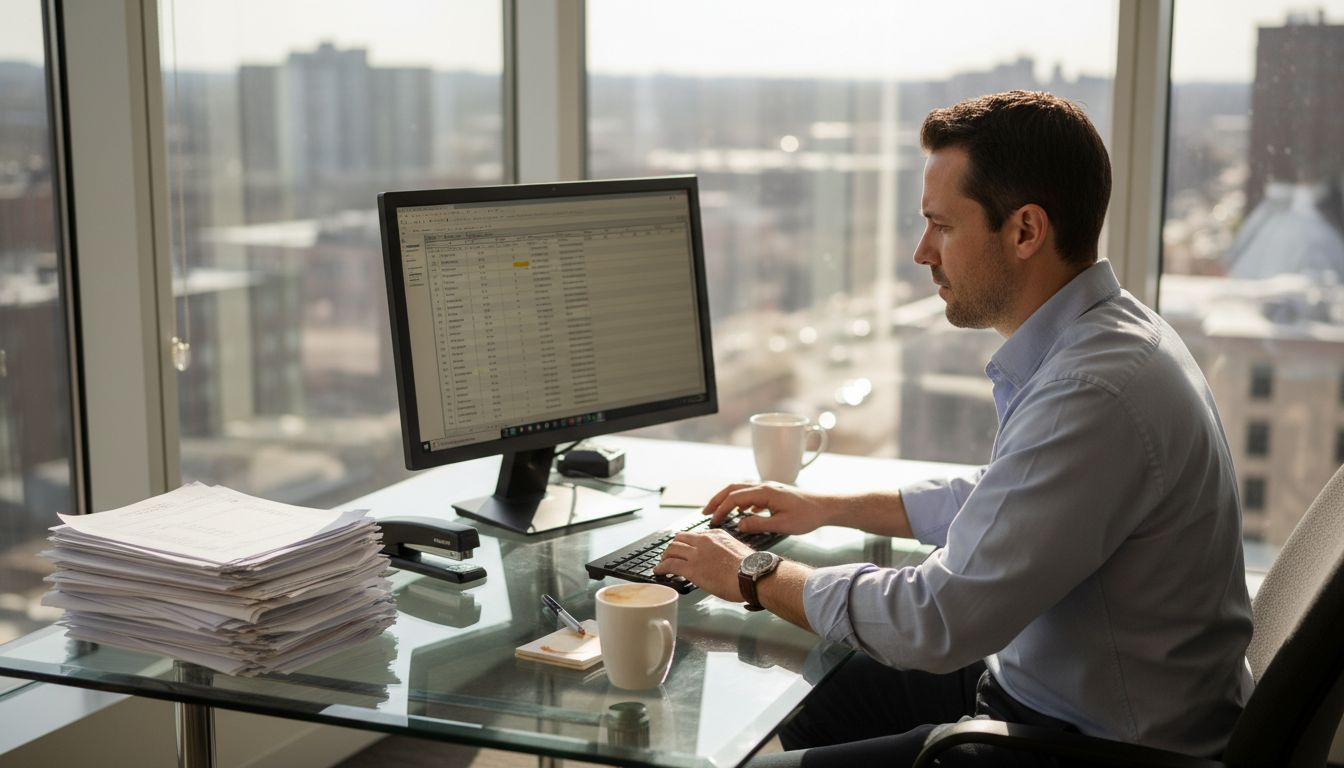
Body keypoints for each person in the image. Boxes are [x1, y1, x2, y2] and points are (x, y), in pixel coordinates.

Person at [654, 90, 1253, 767]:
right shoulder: (1110, 336)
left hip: (1098, 746)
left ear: (1026, 231)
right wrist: (830, 507)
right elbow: (1010, 497)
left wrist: (755, 574)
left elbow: (935, 621)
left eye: (941, 226)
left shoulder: (1091, 390)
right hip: (1059, 693)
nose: (920, 253)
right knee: (818, 685)